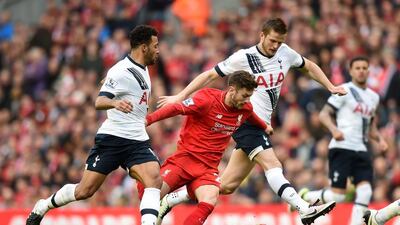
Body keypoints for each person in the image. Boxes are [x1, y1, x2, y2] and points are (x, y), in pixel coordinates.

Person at [156, 18, 345, 225]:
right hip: (245, 121)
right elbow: (210, 75)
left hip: (261, 124)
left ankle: (173, 198)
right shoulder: (244, 57)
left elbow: (308, 66)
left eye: (280, 42)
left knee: (227, 185)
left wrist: (330, 86)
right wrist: (180, 96)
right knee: (273, 164)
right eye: (272, 40)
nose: (275, 46)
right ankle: (303, 208)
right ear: (262, 35)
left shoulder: (285, 53)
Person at [26, 25, 162, 225]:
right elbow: (99, 101)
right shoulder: (121, 71)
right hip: (112, 139)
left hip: (137, 139)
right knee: (84, 191)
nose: (158, 50)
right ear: (143, 47)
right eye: (155, 46)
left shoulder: (139, 68)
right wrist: (115, 102)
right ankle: (43, 205)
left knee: (154, 180)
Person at [138, 70, 273, 225]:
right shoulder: (206, 99)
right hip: (184, 161)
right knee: (149, 194)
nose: (247, 100)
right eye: (244, 95)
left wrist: (265, 126)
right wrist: (149, 120)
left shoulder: (245, 108)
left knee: (211, 197)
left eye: (249, 96)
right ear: (231, 90)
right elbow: (177, 108)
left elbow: (251, 115)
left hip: (207, 169)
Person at [299, 56, 388, 225]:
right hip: (342, 147)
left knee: (366, 191)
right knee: (339, 196)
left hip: (362, 149)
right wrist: (334, 130)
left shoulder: (373, 97)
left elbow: (370, 125)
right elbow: (324, 114)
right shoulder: (344, 90)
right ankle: (305, 197)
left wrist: (380, 139)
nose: (361, 71)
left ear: (368, 71)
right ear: (351, 71)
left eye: (364, 68)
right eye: (358, 68)